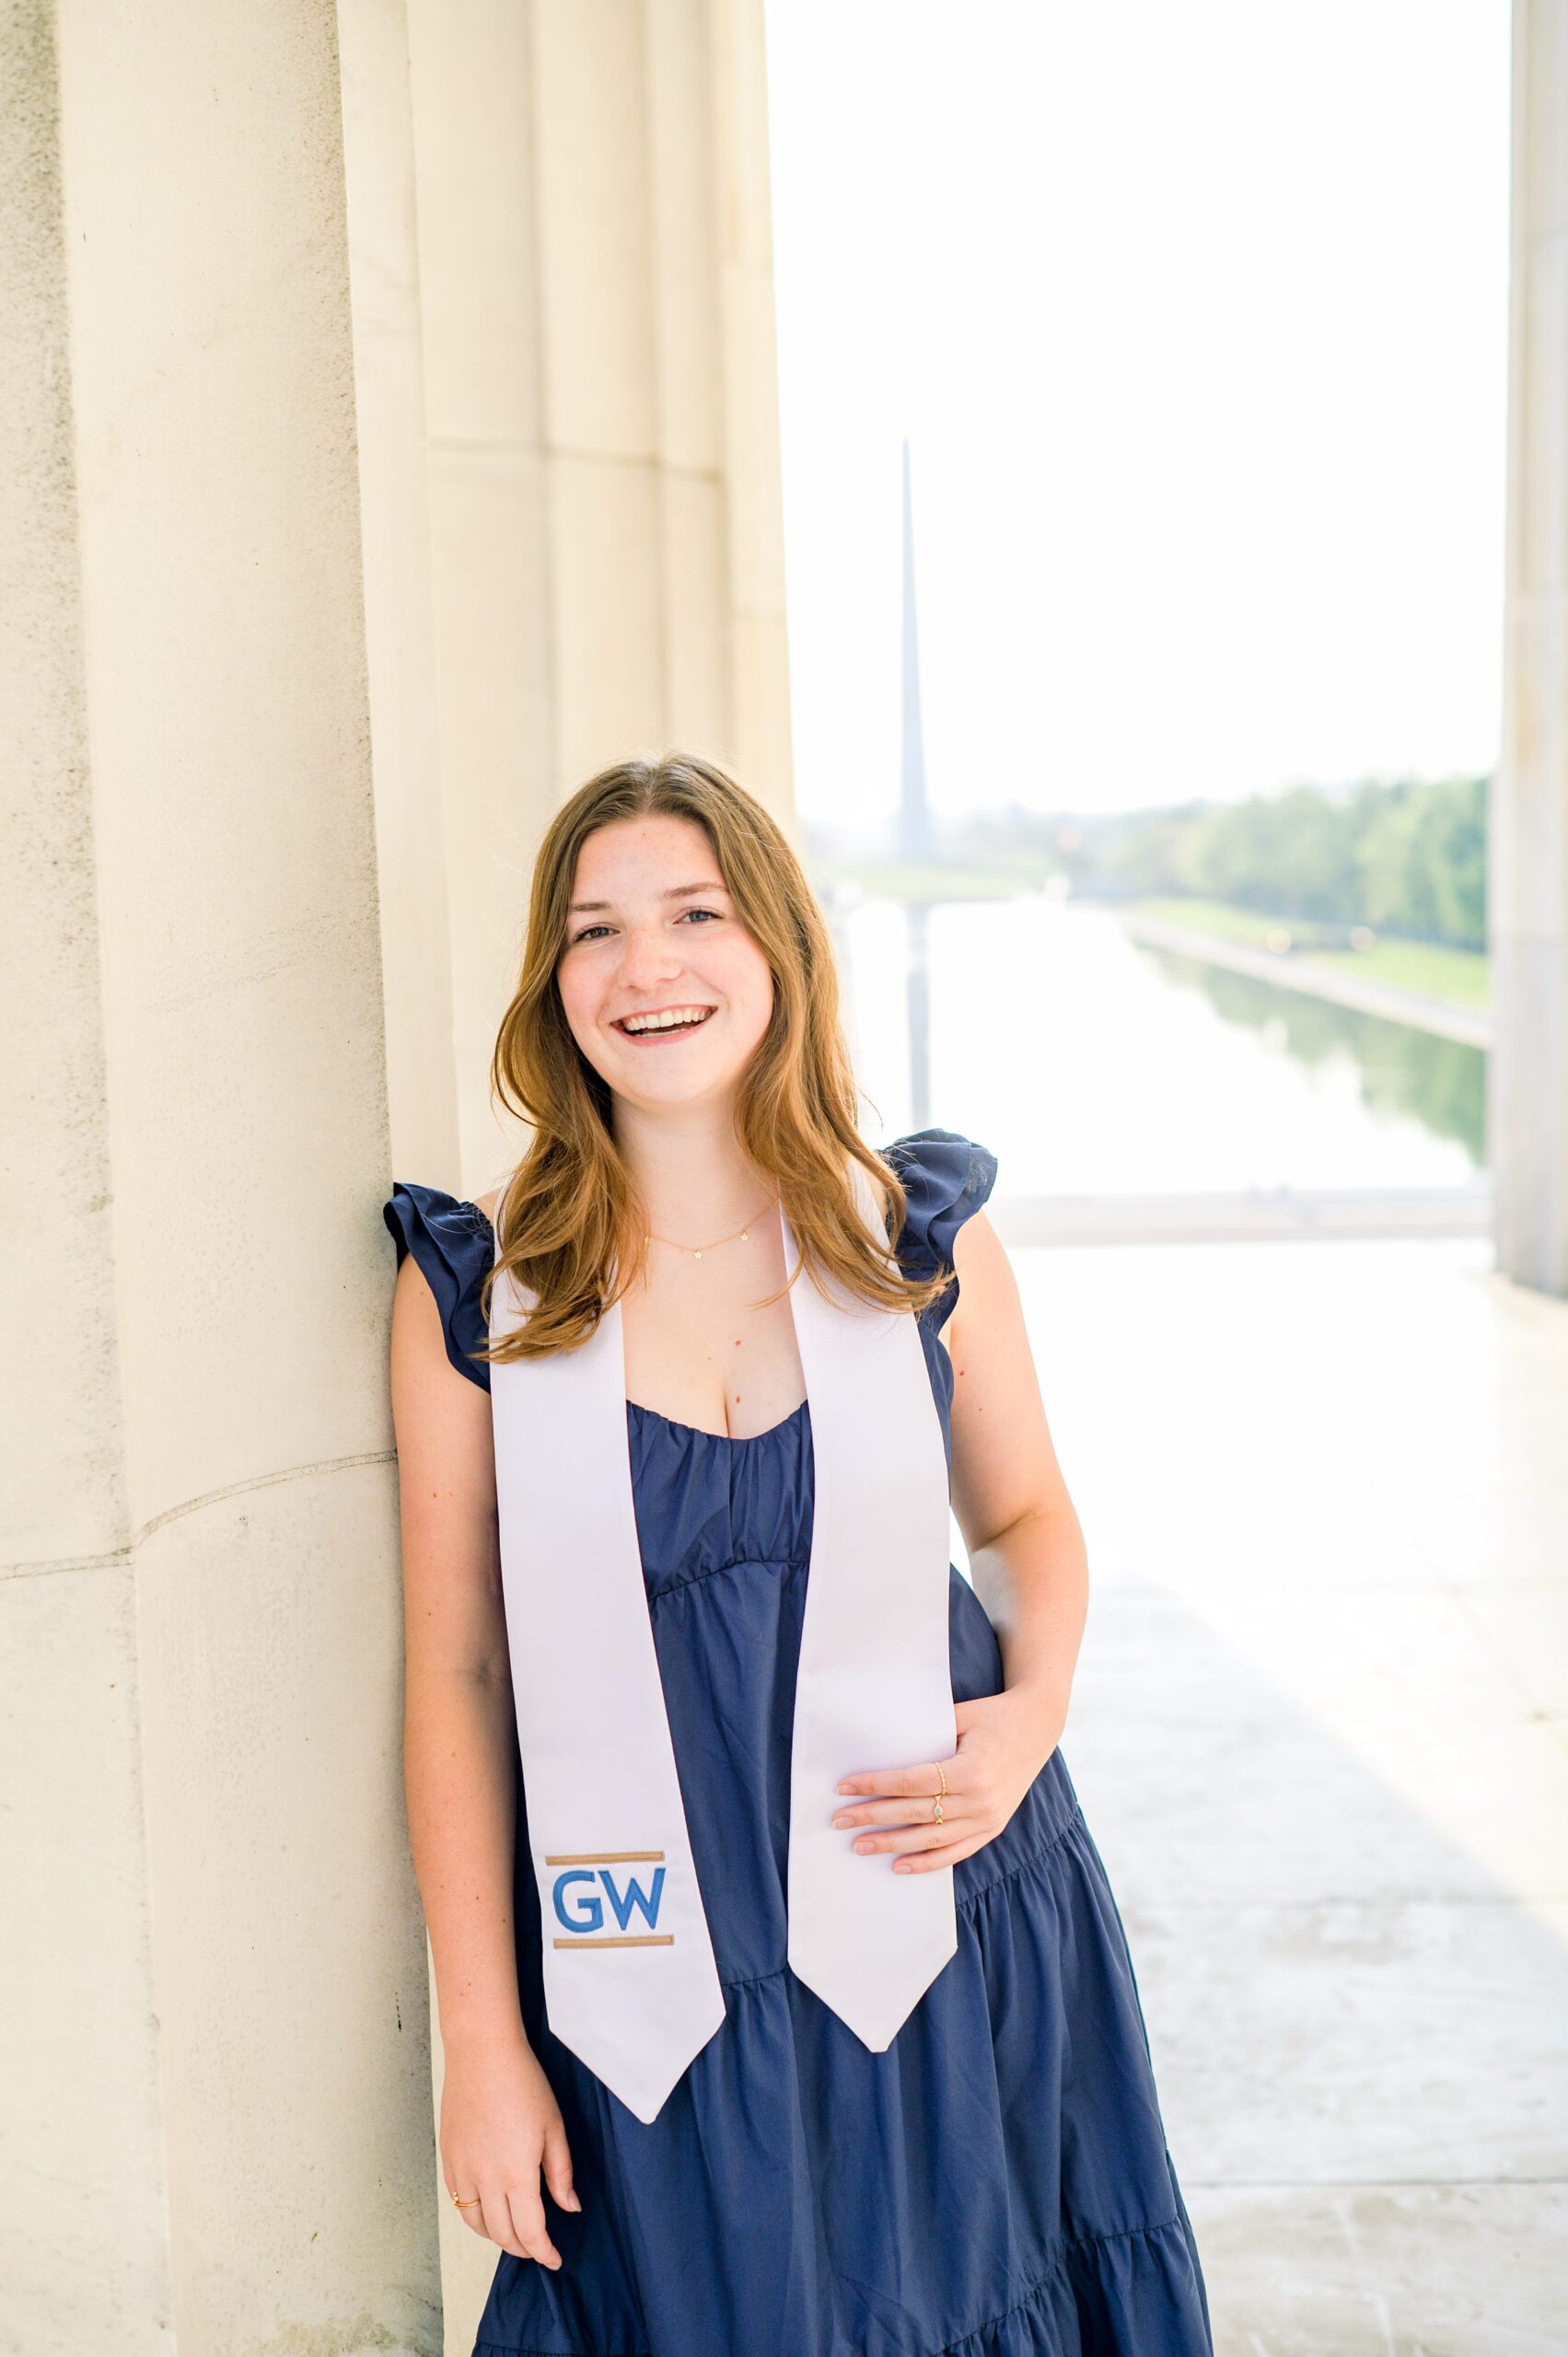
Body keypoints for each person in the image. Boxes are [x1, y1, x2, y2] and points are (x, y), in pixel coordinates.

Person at [383, 752, 1213, 2356]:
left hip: (948, 1911)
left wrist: (1034, 1711)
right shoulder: (479, 1290)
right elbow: (458, 1668)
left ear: (778, 944)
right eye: (594, 929)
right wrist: (481, 2042)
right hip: (659, 1970)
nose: (648, 968)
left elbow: (1027, 1521)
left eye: (695, 913)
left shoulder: (911, 1234)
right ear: (551, 984)